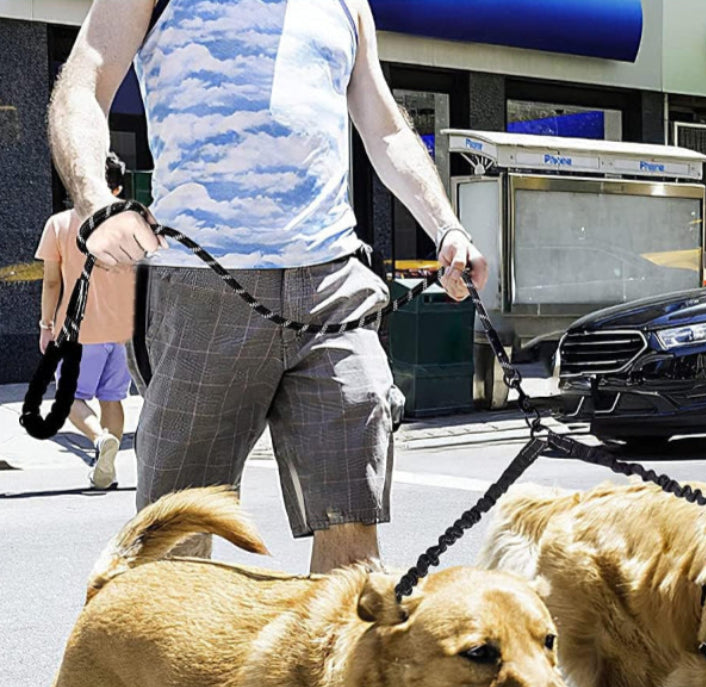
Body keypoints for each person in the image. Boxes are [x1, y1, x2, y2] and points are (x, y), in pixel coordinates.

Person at [47, 0, 487, 571]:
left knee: (354, 552)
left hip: (334, 289)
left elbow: (385, 129)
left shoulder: (348, 5)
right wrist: (96, 203)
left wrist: (446, 226)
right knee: (175, 543)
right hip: (201, 289)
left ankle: (328, 660)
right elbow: (81, 88)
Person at [36, 152, 133, 490]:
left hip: (77, 331)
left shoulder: (60, 224)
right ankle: (108, 469)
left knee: (69, 399)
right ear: (117, 189)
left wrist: (46, 325)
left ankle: (99, 439)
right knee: (112, 399)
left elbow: (51, 282)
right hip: (120, 331)